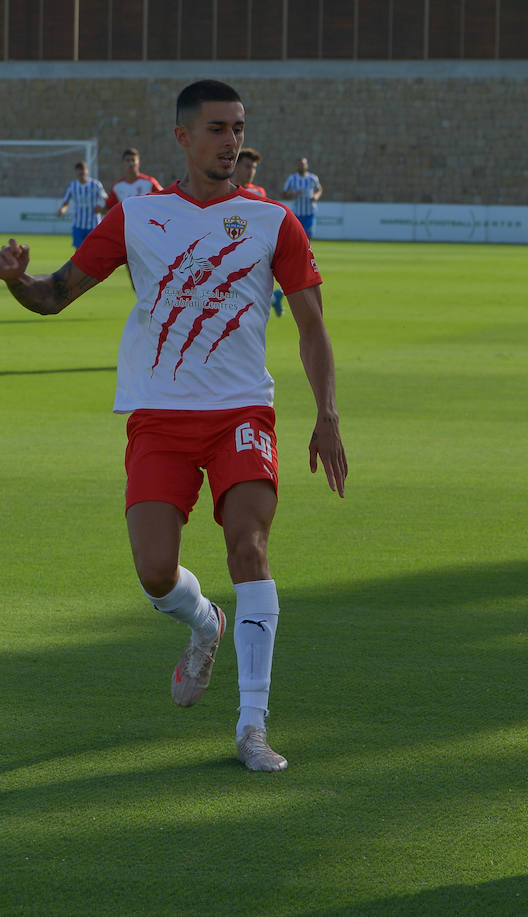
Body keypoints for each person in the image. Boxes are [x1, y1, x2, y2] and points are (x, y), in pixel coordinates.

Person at [0, 79, 348, 773]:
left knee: (248, 546)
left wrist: (327, 413)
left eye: (238, 127)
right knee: (155, 571)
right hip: (158, 417)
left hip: (241, 412)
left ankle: (252, 726)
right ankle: (202, 621)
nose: (231, 141)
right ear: (184, 138)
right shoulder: (136, 218)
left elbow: (311, 326)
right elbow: (54, 295)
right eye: (217, 129)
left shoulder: (274, 220)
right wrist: (15, 280)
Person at [233, 148, 284, 317]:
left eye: (254, 168)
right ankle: (274, 299)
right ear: (236, 166)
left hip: (251, 250)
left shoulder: (259, 192)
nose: (251, 172)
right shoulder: (224, 189)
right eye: (248, 166)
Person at [57, 161, 107, 247]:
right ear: (75, 172)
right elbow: (66, 202)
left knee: (94, 249)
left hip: (93, 224)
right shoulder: (72, 186)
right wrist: (62, 210)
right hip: (78, 224)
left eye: (82, 170)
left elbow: (106, 199)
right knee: (79, 252)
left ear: (87, 171)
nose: (81, 172)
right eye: (78, 170)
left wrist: (102, 209)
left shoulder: (95, 185)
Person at [281, 157, 323, 239]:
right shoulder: (292, 179)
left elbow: (319, 189)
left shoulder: (312, 178)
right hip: (297, 213)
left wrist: (316, 196)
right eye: (300, 164)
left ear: (307, 165)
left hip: (310, 212)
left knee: (308, 236)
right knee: (297, 236)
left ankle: (307, 251)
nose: (301, 166)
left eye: (303, 164)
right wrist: (293, 195)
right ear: (297, 166)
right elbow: (284, 194)